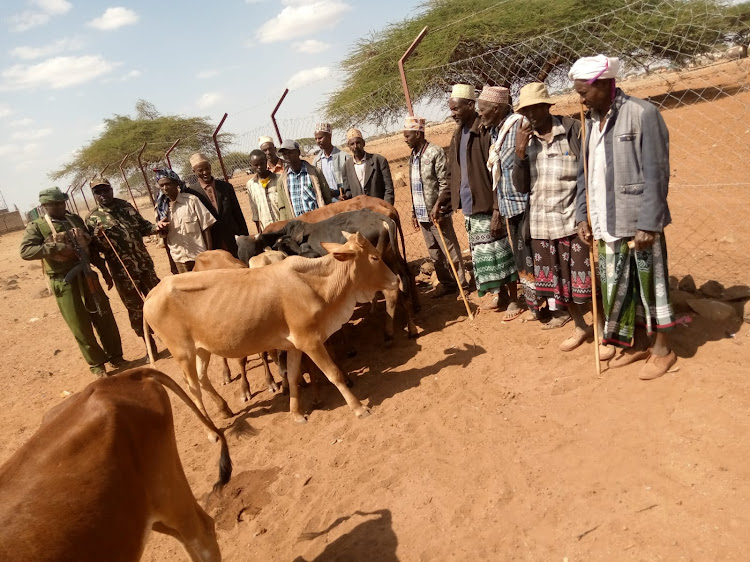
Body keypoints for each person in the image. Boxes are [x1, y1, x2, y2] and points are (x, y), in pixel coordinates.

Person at [571, 54, 676, 380]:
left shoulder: (642, 114)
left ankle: (663, 349)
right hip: (604, 221)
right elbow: (583, 174)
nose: (580, 98)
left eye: (584, 91)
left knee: (651, 285)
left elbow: (657, 172)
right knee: (618, 286)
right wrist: (581, 215)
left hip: (637, 221)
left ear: (604, 84)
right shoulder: (589, 122)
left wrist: (648, 223)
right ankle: (636, 344)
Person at [512, 83, 609, 355]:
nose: (530, 114)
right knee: (560, 287)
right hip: (542, 225)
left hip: (571, 220)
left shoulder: (571, 129)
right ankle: (580, 326)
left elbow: (588, 173)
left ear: (547, 107)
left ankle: (601, 329)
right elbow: (520, 187)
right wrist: (519, 154)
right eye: (525, 110)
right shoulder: (524, 141)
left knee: (585, 282)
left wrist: (585, 216)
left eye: (535, 108)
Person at [20, 187, 124, 376]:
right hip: (64, 281)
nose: (60, 206)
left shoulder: (74, 220)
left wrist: (103, 270)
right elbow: (26, 251)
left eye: (61, 202)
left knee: (104, 315)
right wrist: (56, 247)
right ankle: (97, 366)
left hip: (87, 275)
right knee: (79, 323)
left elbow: (91, 247)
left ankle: (116, 356)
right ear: (44, 206)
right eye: (54, 204)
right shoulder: (37, 227)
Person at [433, 83, 518, 308]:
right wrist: (442, 200)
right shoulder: (457, 135)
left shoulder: (485, 131)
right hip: (470, 206)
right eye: (451, 109)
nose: (453, 114)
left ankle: (514, 300)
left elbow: (498, 174)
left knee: (501, 252)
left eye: (456, 109)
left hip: (488, 204)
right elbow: (453, 172)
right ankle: (499, 295)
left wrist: (497, 211)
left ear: (470, 105)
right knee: (484, 256)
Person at [478, 84, 532, 321]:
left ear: (497, 108)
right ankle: (532, 303)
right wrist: (498, 209)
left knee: (533, 253)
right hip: (509, 204)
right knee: (521, 255)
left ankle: (548, 305)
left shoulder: (519, 125)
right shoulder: (495, 132)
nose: (480, 114)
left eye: (483, 109)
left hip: (527, 202)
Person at [85, 177, 162, 343]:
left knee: (158, 300)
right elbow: (95, 249)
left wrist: (157, 228)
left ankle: (169, 335)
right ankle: (149, 342)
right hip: (123, 272)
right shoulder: (93, 219)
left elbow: (143, 226)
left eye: (106, 190)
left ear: (111, 189)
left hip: (144, 265)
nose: (103, 194)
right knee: (135, 308)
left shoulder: (126, 207)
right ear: (94, 195)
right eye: (98, 192)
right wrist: (98, 238)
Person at [404, 115, 468, 298]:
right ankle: (447, 284)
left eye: (408, 136)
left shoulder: (435, 152)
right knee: (435, 253)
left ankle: (463, 285)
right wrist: (414, 212)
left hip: (437, 213)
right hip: (422, 213)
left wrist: (440, 207)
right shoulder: (413, 157)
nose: (405, 139)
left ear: (418, 133)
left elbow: (444, 182)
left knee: (450, 250)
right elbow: (414, 187)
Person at [155, 169, 216, 273]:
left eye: (167, 184)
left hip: (198, 258)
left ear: (176, 183)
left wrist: (208, 256)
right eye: (161, 186)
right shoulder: (161, 209)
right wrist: (171, 262)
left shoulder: (192, 201)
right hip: (179, 259)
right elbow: (165, 238)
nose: (165, 188)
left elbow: (206, 228)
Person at [189, 153, 249, 258]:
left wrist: (245, 237)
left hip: (232, 238)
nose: (205, 172)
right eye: (200, 170)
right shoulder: (191, 192)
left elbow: (237, 213)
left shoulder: (226, 187)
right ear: (194, 172)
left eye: (207, 168)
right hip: (212, 243)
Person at [277, 139, 332, 217]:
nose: (287, 156)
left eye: (290, 152)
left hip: (317, 221)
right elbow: (283, 209)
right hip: (297, 225)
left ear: (298, 152)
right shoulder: (282, 181)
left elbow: (327, 198)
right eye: (284, 154)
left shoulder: (315, 173)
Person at [342, 128, 395, 205]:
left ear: (363, 143)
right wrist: (345, 196)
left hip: (378, 209)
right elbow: (348, 191)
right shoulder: (347, 166)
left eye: (358, 142)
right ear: (349, 146)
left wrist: (386, 208)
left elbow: (389, 189)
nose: (355, 146)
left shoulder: (379, 160)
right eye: (352, 144)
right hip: (359, 212)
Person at [246, 149, 293, 231]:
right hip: (266, 229)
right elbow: (255, 212)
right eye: (256, 165)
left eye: (262, 163)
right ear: (251, 165)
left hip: (283, 227)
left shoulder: (279, 179)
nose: (259, 167)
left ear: (266, 161)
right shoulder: (251, 185)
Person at [313, 122, 349, 202]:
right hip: (327, 203)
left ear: (329, 136)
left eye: (320, 138)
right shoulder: (317, 161)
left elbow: (351, 182)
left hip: (344, 201)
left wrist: (345, 193)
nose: (318, 141)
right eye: (316, 139)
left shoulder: (344, 157)